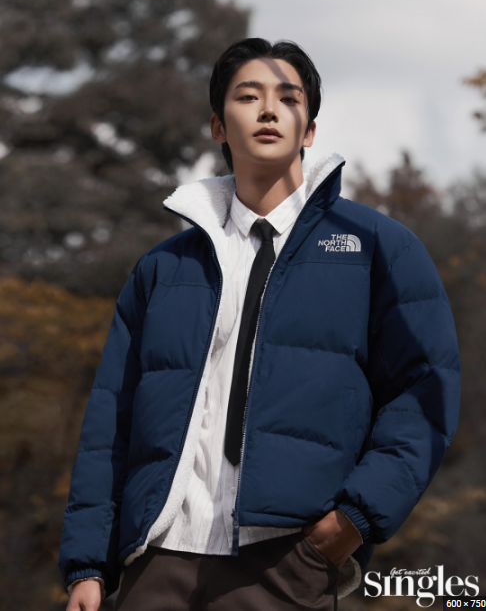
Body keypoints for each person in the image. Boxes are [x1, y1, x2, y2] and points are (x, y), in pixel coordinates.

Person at [59, 38, 461, 611]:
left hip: (288, 560)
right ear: (218, 127)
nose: (269, 110)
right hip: (158, 559)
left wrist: (348, 525)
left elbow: (424, 394)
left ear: (310, 129)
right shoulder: (164, 268)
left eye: (288, 98)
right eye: (248, 97)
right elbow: (110, 422)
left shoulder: (378, 249)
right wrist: (88, 565)